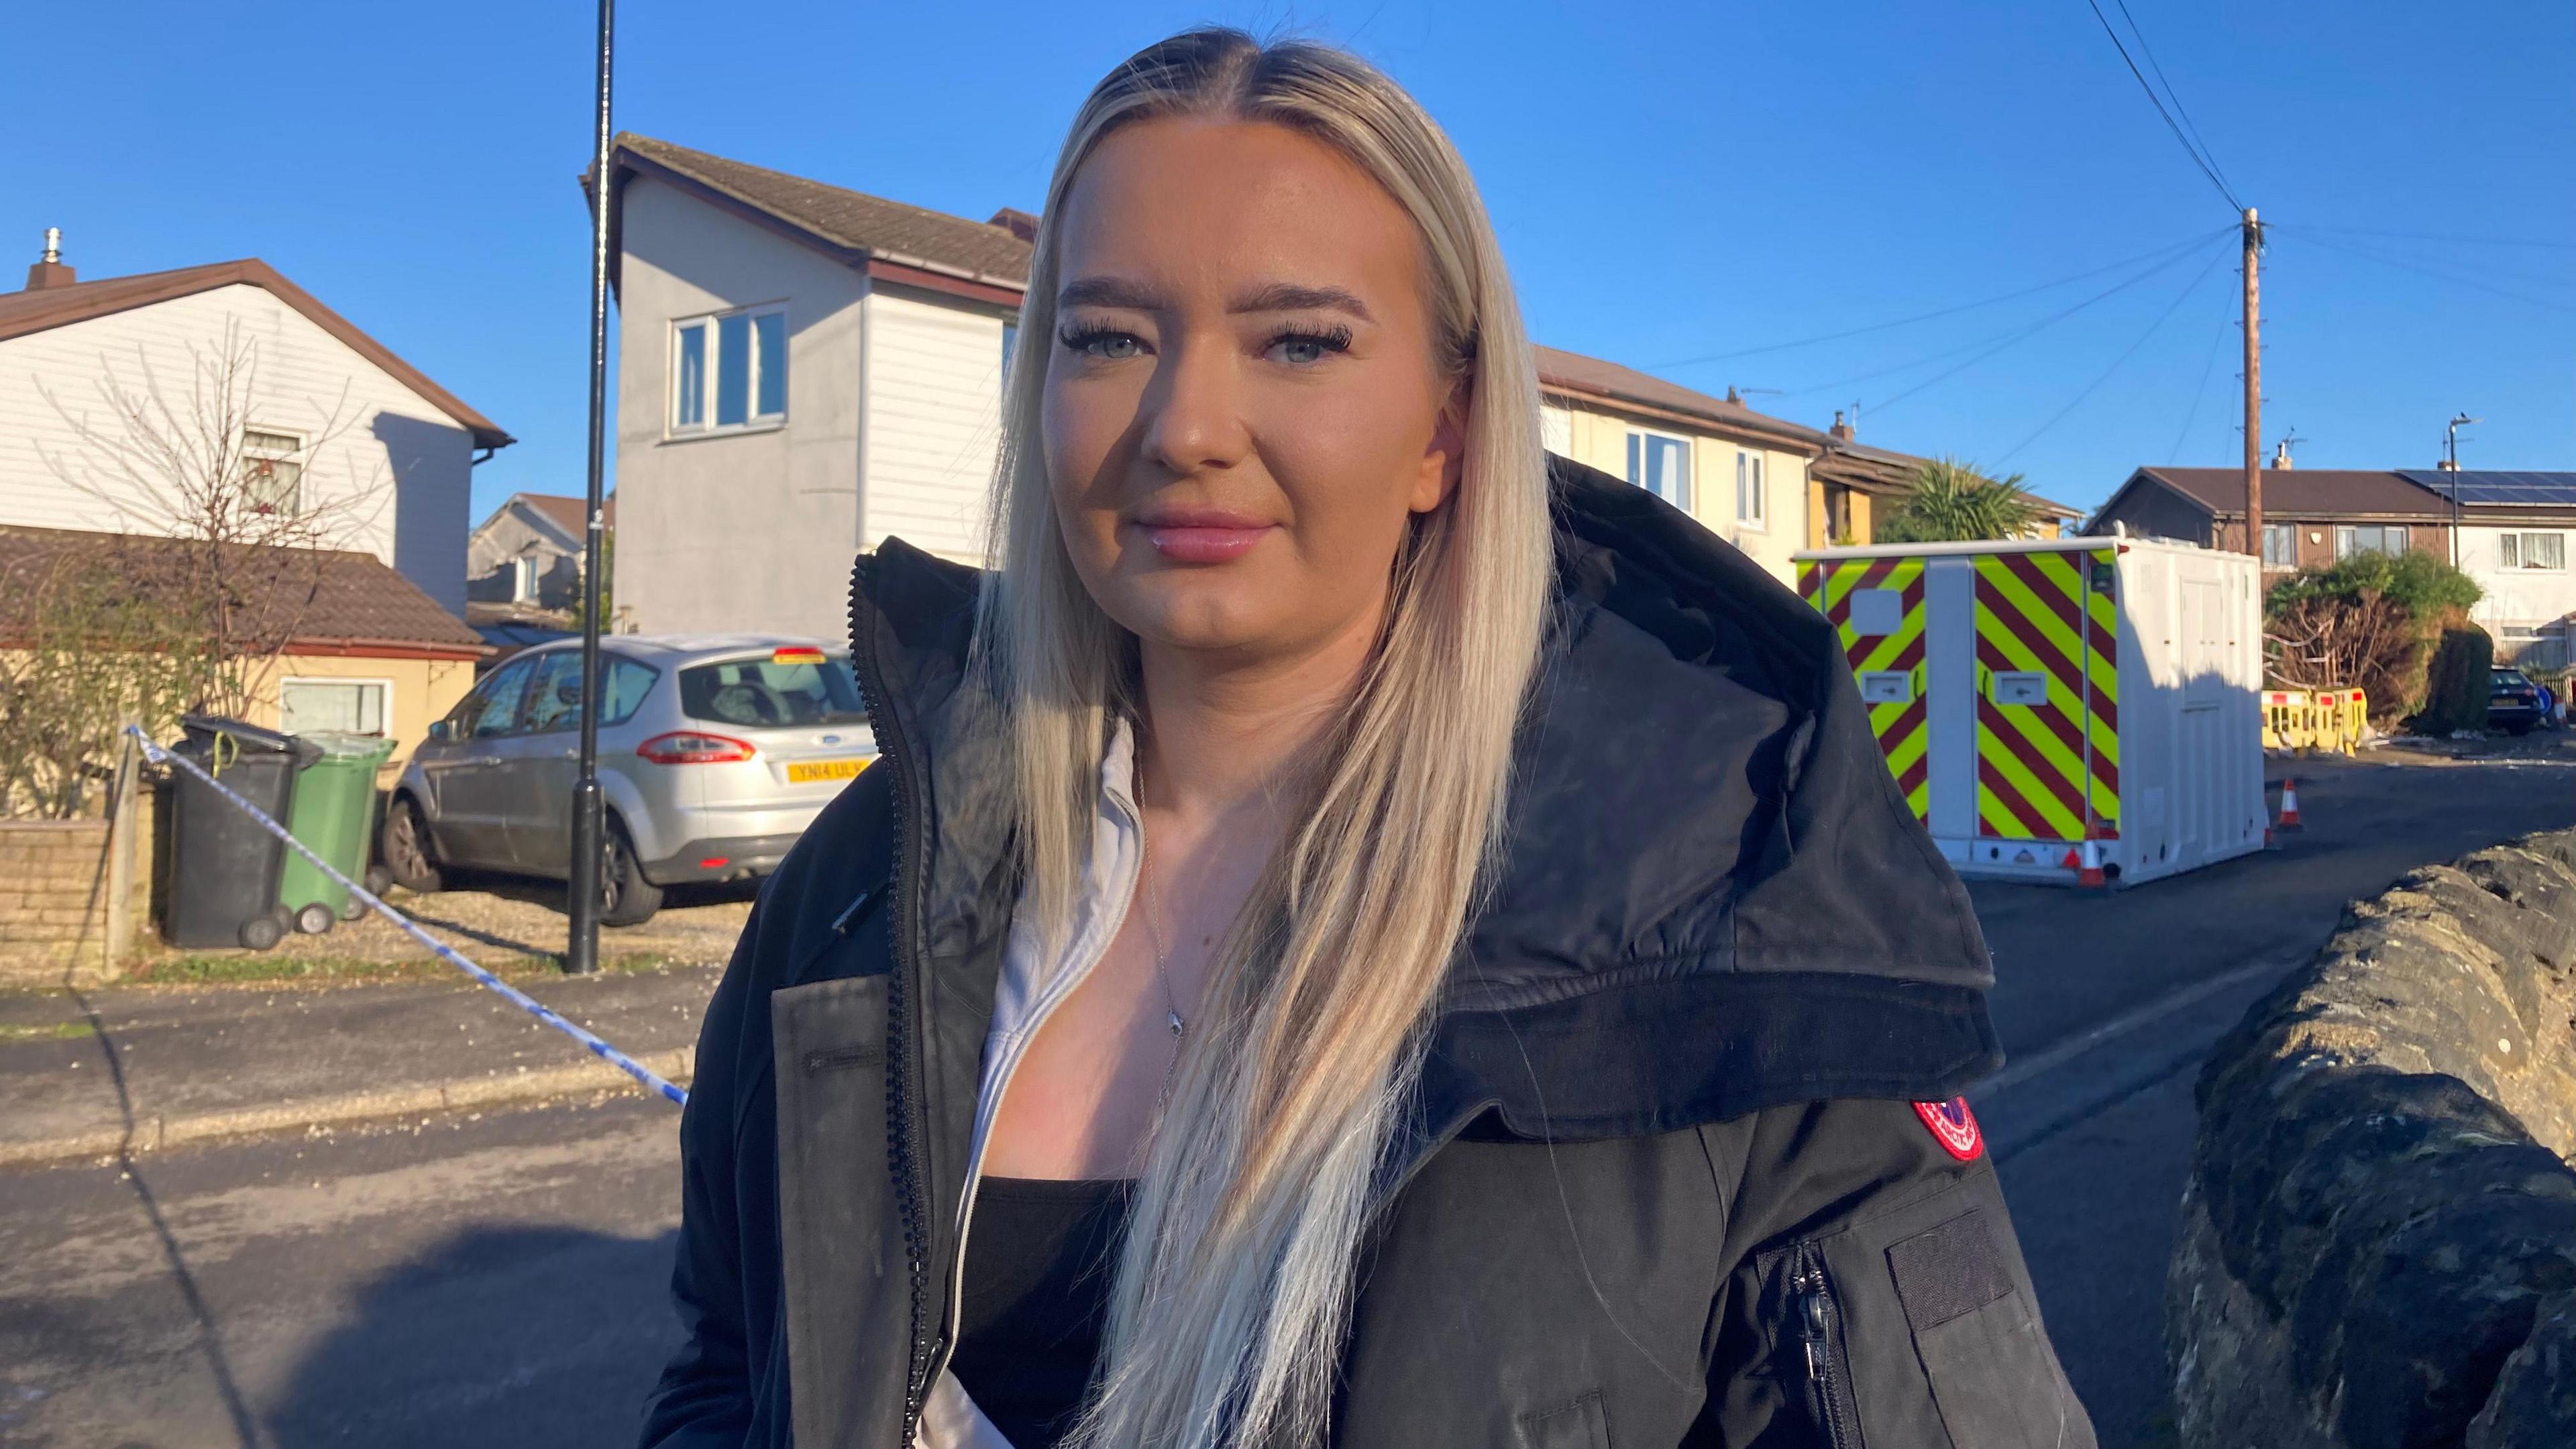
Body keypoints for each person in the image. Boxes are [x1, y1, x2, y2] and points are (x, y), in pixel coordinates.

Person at [641, 27, 2094, 1449]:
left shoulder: (1716, 920)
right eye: (1107, 336)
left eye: (1298, 342)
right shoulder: (862, 886)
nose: (1186, 425)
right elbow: (726, 1359)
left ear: (1445, 434)